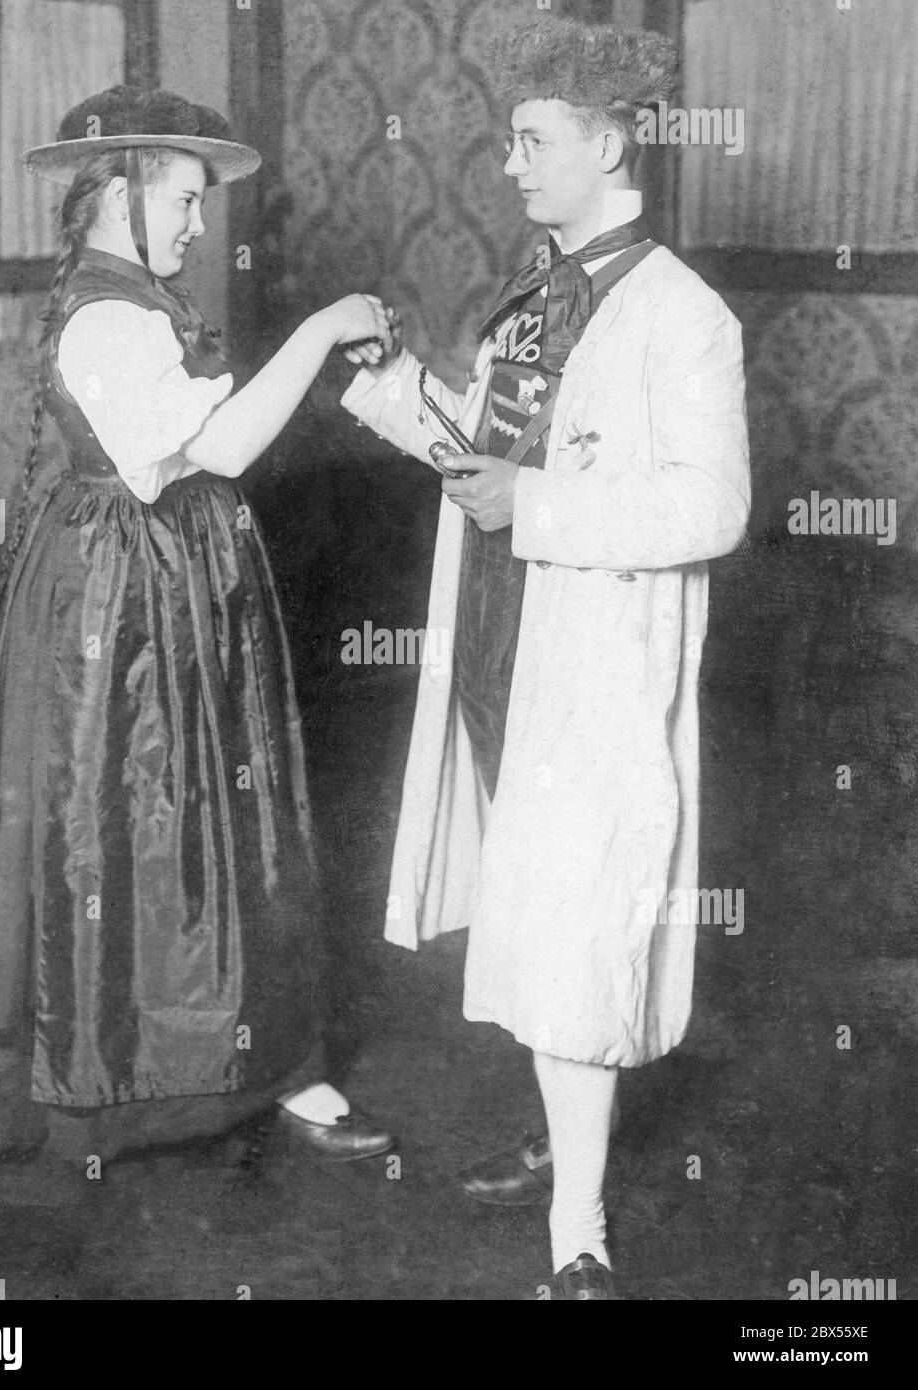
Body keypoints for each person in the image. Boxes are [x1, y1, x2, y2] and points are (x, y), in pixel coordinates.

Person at [341, 18, 750, 1298]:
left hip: (597, 656)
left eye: (533, 140)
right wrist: (399, 384)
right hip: (501, 642)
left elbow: (714, 508)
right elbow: (494, 460)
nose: (510, 162)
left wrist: (545, 511)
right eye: (510, 137)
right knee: (535, 911)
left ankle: (579, 1232)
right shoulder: (533, 290)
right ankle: (564, 1138)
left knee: (580, 923)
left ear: (609, 143)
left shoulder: (684, 314)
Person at [0, 85, 396, 1170]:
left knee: (196, 807)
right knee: (137, 808)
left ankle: (246, 1051)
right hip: (122, 597)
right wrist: (326, 328)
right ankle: (131, 1069)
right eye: (183, 201)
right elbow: (220, 451)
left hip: (169, 578)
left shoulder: (128, 304)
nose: (198, 225)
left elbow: (204, 452)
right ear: (121, 191)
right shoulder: (110, 318)